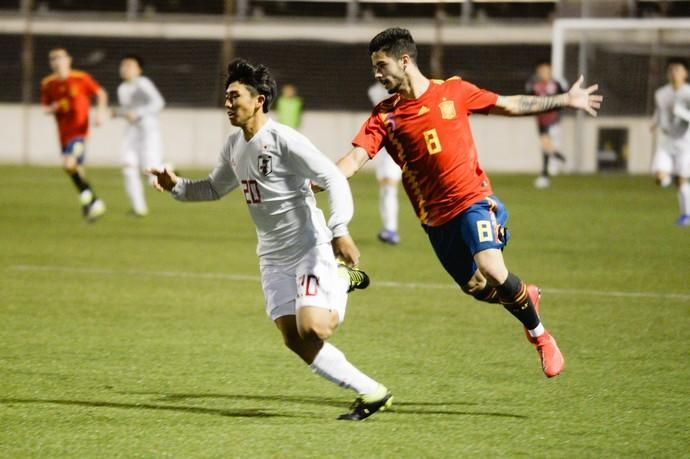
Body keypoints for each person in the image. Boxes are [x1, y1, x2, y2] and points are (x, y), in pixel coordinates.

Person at [336, 28, 602, 378]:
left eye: (381, 65)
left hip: (474, 200)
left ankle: (540, 336)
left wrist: (564, 100)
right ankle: (523, 295)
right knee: (477, 287)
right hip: (435, 220)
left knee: (492, 268)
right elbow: (354, 161)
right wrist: (318, 180)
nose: (377, 74)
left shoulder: (454, 91)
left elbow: (509, 104)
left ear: (404, 60)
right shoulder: (384, 116)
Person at [149, 59, 393, 420]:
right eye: (226, 96)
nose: (228, 103)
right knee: (294, 339)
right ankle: (372, 392)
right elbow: (215, 188)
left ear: (259, 99)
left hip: (309, 246)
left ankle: (341, 279)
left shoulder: (284, 140)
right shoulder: (234, 146)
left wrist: (338, 229)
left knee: (315, 327)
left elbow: (333, 177)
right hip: (272, 256)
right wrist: (176, 186)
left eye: (235, 96)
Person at [41, 47, 108, 221]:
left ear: (68, 60)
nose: (57, 61)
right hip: (63, 134)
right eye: (53, 58)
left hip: (79, 132)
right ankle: (92, 202)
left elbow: (100, 93)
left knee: (68, 163)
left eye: (60, 57)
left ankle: (91, 201)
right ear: (51, 63)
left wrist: (100, 112)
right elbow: (45, 108)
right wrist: (52, 108)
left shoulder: (81, 78)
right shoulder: (48, 83)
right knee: (76, 169)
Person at [113, 54, 165, 217]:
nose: (125, 68)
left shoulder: (143, 83)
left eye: (129, 65)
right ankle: (139, 209)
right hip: (132, 132)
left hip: (148, 132)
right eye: (123, 65)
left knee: (152, 177)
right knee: (128, 168)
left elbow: (158, 103)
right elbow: (129, 112)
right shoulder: (122, 88)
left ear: (139, 69)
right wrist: (119, 113)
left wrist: (138, 113)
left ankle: (169, 168)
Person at [651, 58, 690, 226]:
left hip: (685, 142)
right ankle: (672, 174)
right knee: (660, 178)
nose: (674, 73)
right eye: (671, 70)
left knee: (682, 180)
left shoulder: (688, 93)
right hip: (667, 142)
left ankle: (686, 215)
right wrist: (654, 122)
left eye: (677, 70)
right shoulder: (661, 93)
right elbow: (659, 112)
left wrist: (681, 112)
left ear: (685, 74)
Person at [368, 82, 403, 244]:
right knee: (384, 189)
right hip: (381, 145)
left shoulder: (404, 88)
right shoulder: (375, 90)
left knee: (389, 187)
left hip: (396, 143)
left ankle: (391, 229)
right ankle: (388, 228)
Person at [525, 61, 567, 189]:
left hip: (553, 119)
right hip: (540, 120)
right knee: (545, 146)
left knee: (545, 146)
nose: (544, 73)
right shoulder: (536, 85)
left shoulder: (556, 84)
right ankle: (556, 154)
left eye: (546, 71)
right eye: (541, 71)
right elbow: (527, 97)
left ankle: (544, 175)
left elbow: (565, 96)